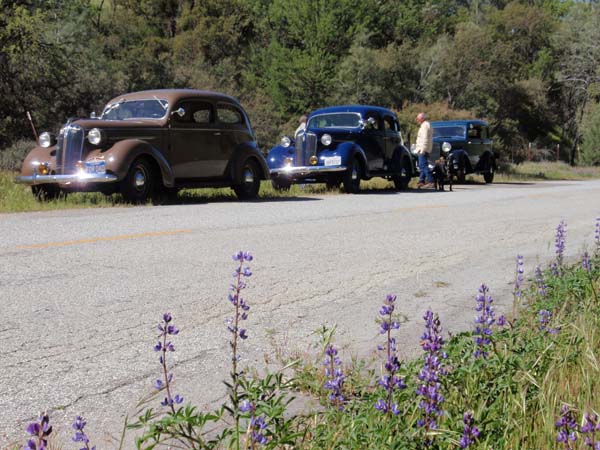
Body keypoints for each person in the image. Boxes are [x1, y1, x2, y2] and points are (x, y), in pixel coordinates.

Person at [415, 112, 433, 188]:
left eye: (418, 118)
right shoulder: (425, 125)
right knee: (421, 165)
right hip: (423, 149)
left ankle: (430, 181)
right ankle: (421, 181)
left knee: (423, 165)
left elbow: (425, 138)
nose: (417, 120)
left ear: (422, 118)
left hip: (423, 149)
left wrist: (423, 149)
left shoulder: (425, 126)